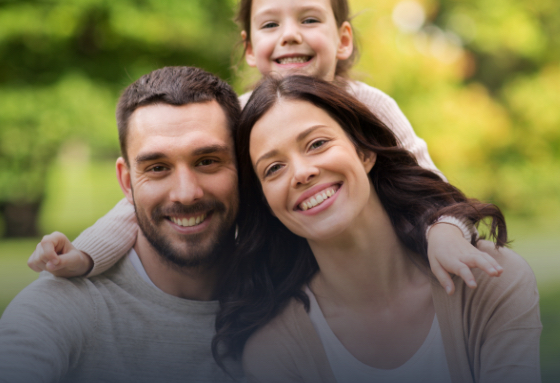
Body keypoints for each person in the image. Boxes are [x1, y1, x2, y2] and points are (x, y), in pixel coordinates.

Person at [28, 0, 503, 293]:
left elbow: (432, 188)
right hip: (290, 285)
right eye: (271, 24)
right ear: (251, 47)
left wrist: (446, 233)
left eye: (309, 20)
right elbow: (151, 191)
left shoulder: (369, 105)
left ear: (342, 39)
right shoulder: (239, 118)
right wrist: (87, 253)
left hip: (385, 277)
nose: (290, 35)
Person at [214, 75, 541, 383]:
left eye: (316, 144)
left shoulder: (487, 281)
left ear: (365, 152)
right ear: (267, 203)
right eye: (273, 168)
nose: (301, 172)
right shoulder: (275, 351)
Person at [0, 67, 243, 383]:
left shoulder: (289, 292)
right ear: (126, 182)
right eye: (157, 168)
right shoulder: (64, 305)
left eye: (207, 161)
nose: (185, 194)